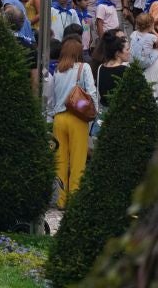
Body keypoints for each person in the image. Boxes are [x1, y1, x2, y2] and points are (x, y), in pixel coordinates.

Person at [46, 36, 98, 207]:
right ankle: (75, 200)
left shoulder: (58, 71)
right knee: (78, 161)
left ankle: (60, 201)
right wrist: (88, 108)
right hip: (77, 120)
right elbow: (91, 94)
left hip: (59, 119)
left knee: (60, 161)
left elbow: (52, 100)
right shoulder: (84, 68)